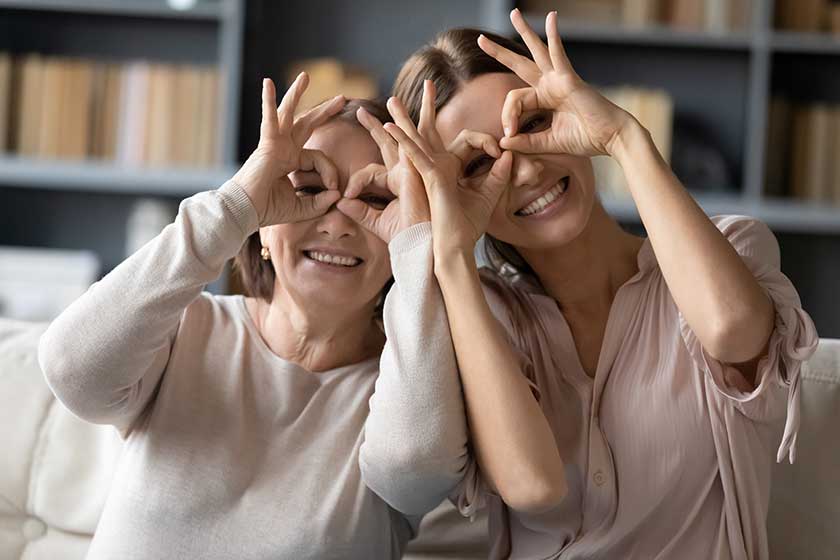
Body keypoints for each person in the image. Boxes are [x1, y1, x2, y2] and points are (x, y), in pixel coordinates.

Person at [359, 10, 819, 559]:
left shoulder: (730, 249)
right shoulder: (478, 312)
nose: (526, 171)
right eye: (478, 164)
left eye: (533, 125)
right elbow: (532, 485)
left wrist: (624, 136)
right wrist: (450, 253)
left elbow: (733, 332)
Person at [38, 74, 461, 559]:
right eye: (308, 190)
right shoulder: (183, 329)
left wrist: (418, 246)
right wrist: (237, 203)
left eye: (375, 200)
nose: (337, 222)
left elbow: (414, 472)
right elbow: (72, 370)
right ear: (263, 230)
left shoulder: (409, 390)